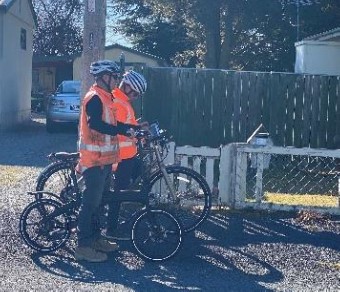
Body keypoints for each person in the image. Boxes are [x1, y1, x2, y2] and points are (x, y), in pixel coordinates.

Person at [74, 60, 140, 263]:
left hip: (104, 161)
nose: (117, 81)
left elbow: (111, 123)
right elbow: (95, 125)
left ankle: (95, 239)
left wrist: (128, 128)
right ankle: (83, 246)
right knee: (90, 204)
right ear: (104, 76)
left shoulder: (106, 98)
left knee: (99, 203)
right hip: (94, 161)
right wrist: (121, 129)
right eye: (114, 77)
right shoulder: (94, 97)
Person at [105, 70, 148, 238]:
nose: (136, 96)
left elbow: (127, 125)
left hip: (127, 154)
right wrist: (137, 132)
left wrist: (139, 126)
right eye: (136, 92)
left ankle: (115, 220)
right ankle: (111, 229)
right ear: (128, 86)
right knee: (118, 193)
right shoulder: (117, 102)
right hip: (120, 155)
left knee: (135, 174)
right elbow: (120, 129)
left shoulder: (123, 101)